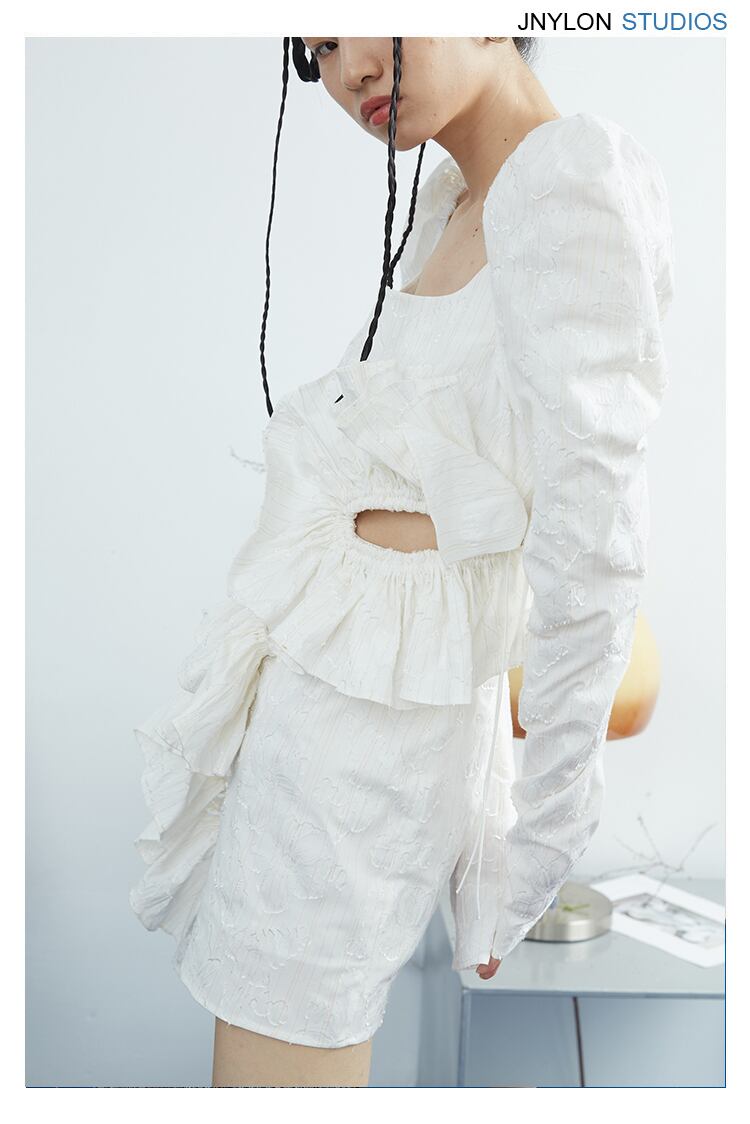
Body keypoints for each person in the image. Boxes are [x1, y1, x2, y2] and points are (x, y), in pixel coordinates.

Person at [129, 36, 675, 1088]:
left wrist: (541, 838)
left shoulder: (569, 179)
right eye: (318, 50)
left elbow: (595, 541)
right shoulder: (447, 198)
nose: (347, 74)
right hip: (319, 711)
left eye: (362, 23)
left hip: (377, 746)